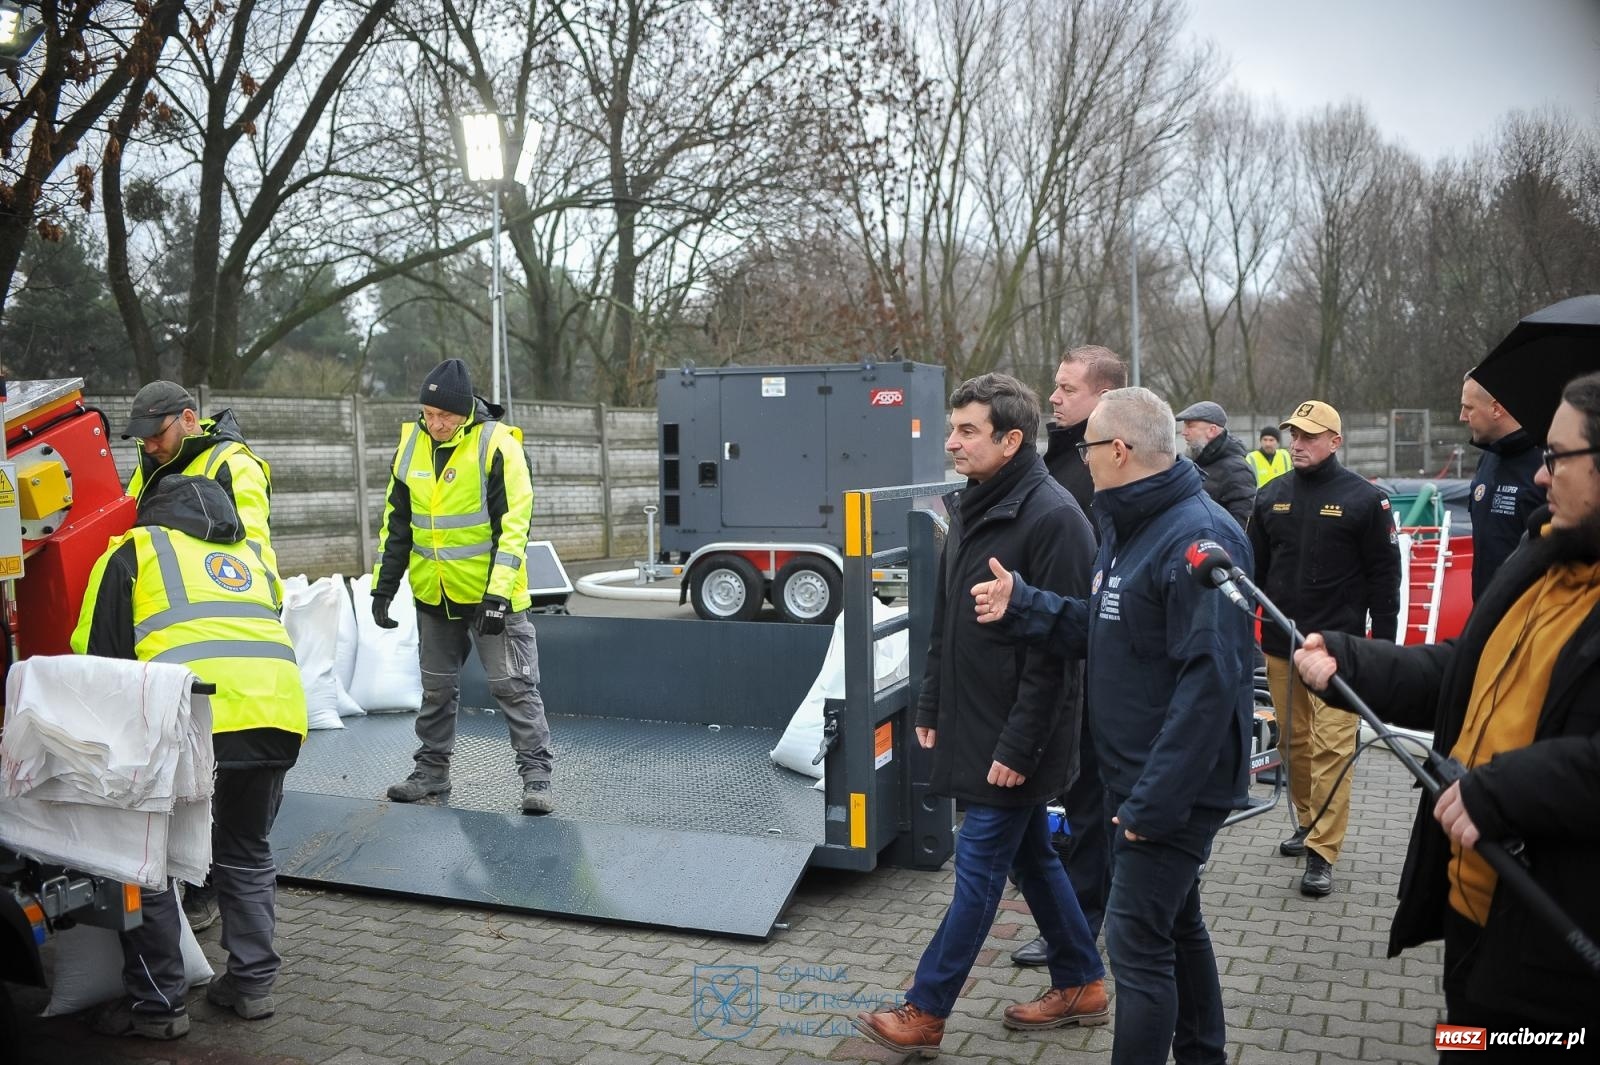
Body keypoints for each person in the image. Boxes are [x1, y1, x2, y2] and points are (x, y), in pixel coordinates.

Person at [1293, 371, 1600, 1032]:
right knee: (1462, 1041)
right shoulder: (1543, 557)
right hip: (1475, 914)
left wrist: (1500, 789)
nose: (1542, 477)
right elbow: (1461, 673)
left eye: (1559, 456)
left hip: (1559, 949)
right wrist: (1351, 659)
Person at [972, 387, 1254, 1065]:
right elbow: (1102, 627)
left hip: (1170, 792)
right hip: (1142, 781)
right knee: (1177, 924)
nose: (1080, 458)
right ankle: (1203, 1053)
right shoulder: (1130, 524)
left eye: (1088, 446)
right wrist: (1025, 605)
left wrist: (1153, 804)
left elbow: (1209, 683)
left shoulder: (1196, 536)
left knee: (1137, 946)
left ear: (1119, 451)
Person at [853, 373, 1106, 1056]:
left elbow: (1061, 658)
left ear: (1010, 438)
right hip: (976, 721)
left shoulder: (1055, 519)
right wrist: (931, 700)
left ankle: (926, 1009)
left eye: (967, 430)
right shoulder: (972, 503)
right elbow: (948, 621)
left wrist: (1020, 748)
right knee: (1032, 861)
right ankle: (1082, 979)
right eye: (954, 427)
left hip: (1020, 736)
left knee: (979, 868)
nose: (952, 441)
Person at [70, 475, 306, 1039]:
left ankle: (158, 1007)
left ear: (151, 513)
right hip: (275, 714)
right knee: (246, 849)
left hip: (190, 717)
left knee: (147, 856)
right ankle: (251, 986)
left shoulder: (135, 550)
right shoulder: (252, 555)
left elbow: (93, 654)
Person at [123, 380, 275, 933]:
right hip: (173, 635)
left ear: (189, 419)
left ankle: (207, 889)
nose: (150, 448)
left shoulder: (233, 464)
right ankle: (197, 884)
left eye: (156, 435)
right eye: (141, 439)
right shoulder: (153, 461)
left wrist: (258, 619)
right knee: (189, 777)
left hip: (222, 627)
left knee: (221, 780)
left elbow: (254, 553)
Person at [374, 358, 555, 814]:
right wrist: (383, 586)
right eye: (429, 414)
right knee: (436, 689)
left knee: (513, 686)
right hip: (434, 594)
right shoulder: (410, 445)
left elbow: (514, 527)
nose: (435, 424)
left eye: (445, 416)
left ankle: (536, 779)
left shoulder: (498, 446)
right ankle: (431, 773)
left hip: (492, 596)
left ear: (466, 412)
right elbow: (396, 525)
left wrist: (496, 596)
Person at [1249, 400, 1400, 896]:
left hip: (1339, 650)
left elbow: (1385, 576)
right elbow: (1256, 574)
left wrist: (1386, 645)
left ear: (1335, 442)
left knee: (1333, 745)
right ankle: (1308, 822)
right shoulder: (1269, 496)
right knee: (1293, 742)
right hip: (1281, 645)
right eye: (1295, 433)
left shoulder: (1365, 500)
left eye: (1310, 436)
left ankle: (1322, 852)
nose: (1298, 443)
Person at [1010, 345, 1128, 968]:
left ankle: (1079, 927)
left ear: (1101, 399)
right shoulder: (1058, 456)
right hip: (1044, 642)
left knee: (1087, 798)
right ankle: (1066, 911)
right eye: (1053, 387)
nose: (1052, 398)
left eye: (1066, 389)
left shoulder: (1106, 469)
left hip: (1083, 653)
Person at [1460, 375, 1545, 601]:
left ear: (1496, 409)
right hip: (1486, 612)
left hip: (1528, 617)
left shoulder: (1545, 466)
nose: (1462, 417)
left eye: (1468, 408)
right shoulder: (1487, 459)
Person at [1175, 401, 1254, 529]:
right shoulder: (1190, 463)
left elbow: (1240, 526)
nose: (1183, 432)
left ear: (1212, 430)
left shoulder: (1237, 470)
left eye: (1190, 426)